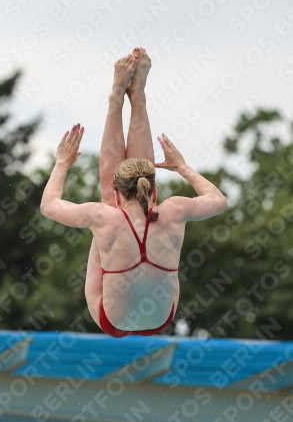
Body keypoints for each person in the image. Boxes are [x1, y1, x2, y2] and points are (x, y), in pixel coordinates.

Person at [40, 47, 228, 338]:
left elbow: (49, 206)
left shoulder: (106, 215)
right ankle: (131, 96)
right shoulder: (175, 211)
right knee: (111, 215)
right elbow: (219, 201)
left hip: (113, 321)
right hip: (161, 320)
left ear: (119, 195)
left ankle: (122, 97)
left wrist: (62, 163)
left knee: (109, 216)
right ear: (154, 194)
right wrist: (184, 168)